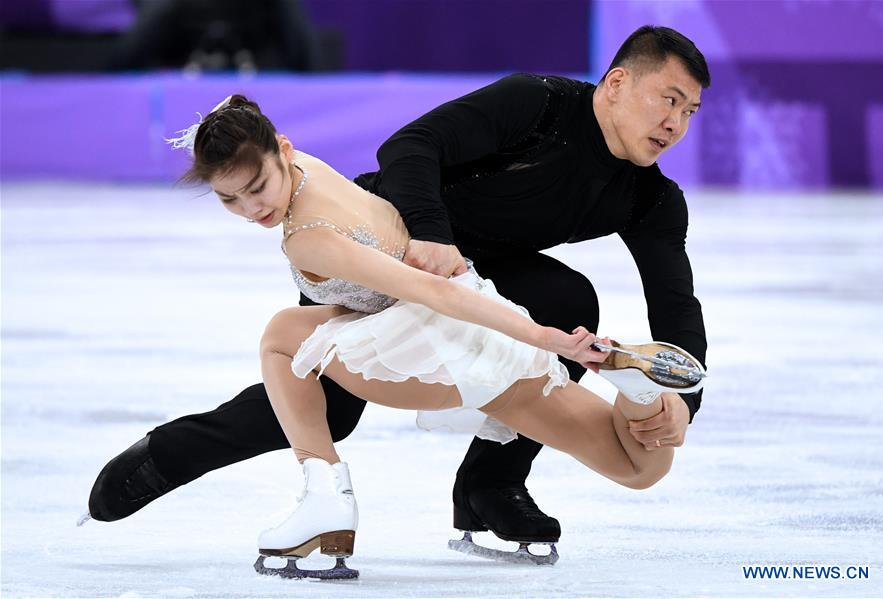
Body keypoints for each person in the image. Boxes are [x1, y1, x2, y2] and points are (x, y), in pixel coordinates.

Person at [86, 24, 710, 566]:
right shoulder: (538, 104)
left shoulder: (652, 199)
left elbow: (676, 308)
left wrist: (682, 403)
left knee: (566, 298)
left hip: (472, 271)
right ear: (619, 82)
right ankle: (172, 453)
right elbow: (413, 146)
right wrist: (431, 238)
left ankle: (490, 485)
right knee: (331, 409)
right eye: (669, 99)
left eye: (690, 112)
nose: (675, 123)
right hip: (379, 249)